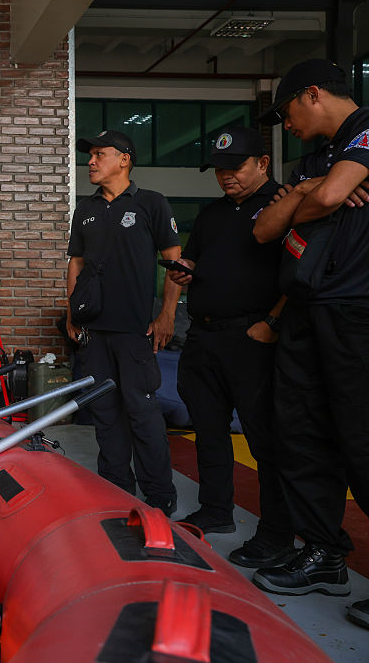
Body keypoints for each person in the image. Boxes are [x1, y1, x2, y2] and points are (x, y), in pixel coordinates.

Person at [249, 59, 369, 624]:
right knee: (300, 435)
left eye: (288, 110)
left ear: (313, 94)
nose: (287, 123)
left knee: (361, 440)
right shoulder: (314, 160)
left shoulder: (368, 127)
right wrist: (312, 189)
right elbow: (265, 229)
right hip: (303, 312)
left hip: (355, 312)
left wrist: (311, 196)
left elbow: (327, 199)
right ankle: (324, 553)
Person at [167, 126, 295, 568]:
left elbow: (303, 271)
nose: (227, 177)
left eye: (235, 167)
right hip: (203, 336)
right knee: (209, 429)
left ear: (263, 163)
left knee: (265, 439)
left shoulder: (287, 203)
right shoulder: (213, 214)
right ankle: (216, 510)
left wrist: (271, 322)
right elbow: (196, 259)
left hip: (254, 338)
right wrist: (183, 269)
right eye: (220, 170)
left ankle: (276, 533)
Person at [67, 130, 182, 516]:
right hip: (94, 331)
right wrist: (71, 313)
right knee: (105, 413)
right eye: (91, 156)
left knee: (142, 412)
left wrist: (166, 314)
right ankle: (116, 490)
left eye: (100, 155)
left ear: (124, 159)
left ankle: (159, 496)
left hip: (135, 332)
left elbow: (174, 262)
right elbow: (76, 263)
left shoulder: (152, 203)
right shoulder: (85, 208)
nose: (91, 162)